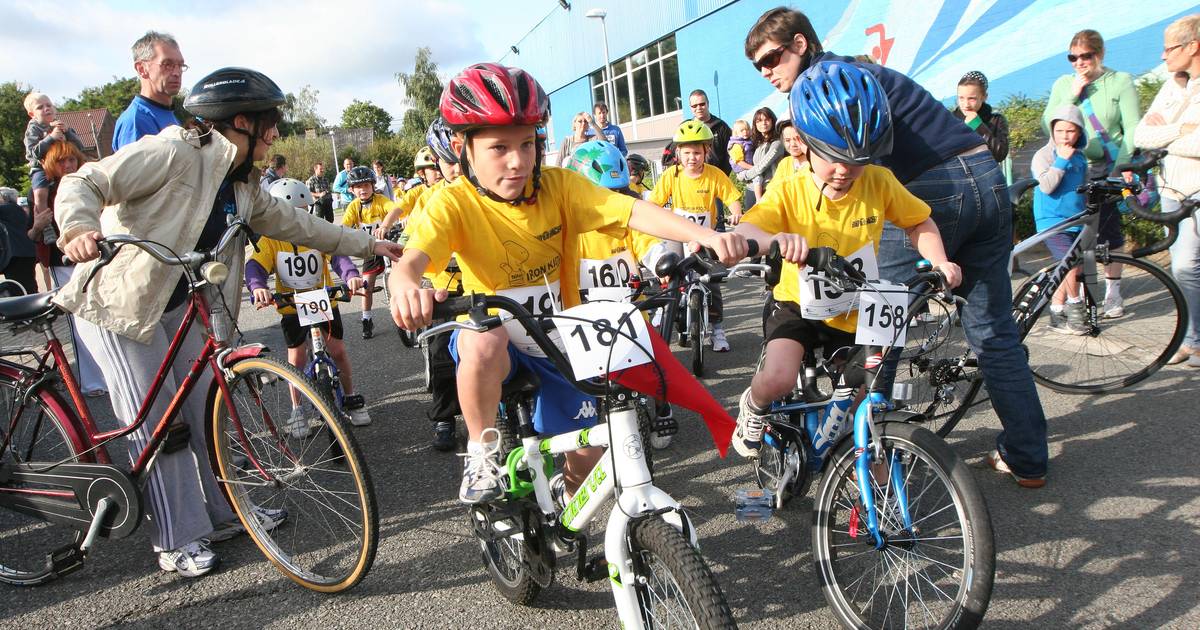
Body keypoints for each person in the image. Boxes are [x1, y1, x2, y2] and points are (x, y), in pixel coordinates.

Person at [52, 67, 403, 578]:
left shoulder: (243, 184)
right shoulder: (175, 151)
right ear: (241, 122)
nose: (275, 133)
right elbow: (86, 180)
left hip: (180, 304)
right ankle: (177, 539)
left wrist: (370, 245)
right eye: (269, 123)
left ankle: (225, 510)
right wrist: (78, 228)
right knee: (162, 427)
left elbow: (301, 224)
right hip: (121, 306)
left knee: (206, 414)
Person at [388, 63, 746, 504]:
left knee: (588, 468)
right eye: (499, 147)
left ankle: (562, 510)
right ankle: (482, 452)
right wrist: (405, 287)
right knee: (483, 338)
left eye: (527, 144)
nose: (518, 161)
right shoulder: (453, 202)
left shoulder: (558, 186)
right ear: (464, 149)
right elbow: (411, 261)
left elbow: (630, 210)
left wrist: (706, 236)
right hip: (501, 344)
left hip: (559, 341)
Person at [745, 6, 1047, 487]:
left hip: (925, 184)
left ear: (800, 44)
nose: (766, 72)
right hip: (983, 173)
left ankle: (865, 455)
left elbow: (860, 174)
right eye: (757, 66)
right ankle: (1027, 459)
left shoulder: (828, 83)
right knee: (993, 333)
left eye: (770, 58)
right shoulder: (863, 71)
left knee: (877, 328)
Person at [732, 61, 962, 459]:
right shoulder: (789, 189)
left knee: (867, 399)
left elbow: (918, 222)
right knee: (779, 378)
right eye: (833, 156)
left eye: (857, 159)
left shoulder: (878, 181)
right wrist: (775, 239)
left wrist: (940, 261)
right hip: (796, 304)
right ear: (806, 143)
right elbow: (747, 229)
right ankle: (752, 406)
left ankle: (865, 469)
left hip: (856, 305)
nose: (844, 170)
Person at [563, 139, 676, 449]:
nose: (609, 204)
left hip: (630, 312)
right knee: (579, 374)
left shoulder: (627, 224)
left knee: (657, 361)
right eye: (600, 196)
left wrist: (661, 262)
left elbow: (648, 244)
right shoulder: (570, 230)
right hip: (585, 317)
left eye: (617, 194)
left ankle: (662, 405)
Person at [247, 177, 372, 434]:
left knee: (337, 351)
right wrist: (258, 286)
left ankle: (350, 397)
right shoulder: (270, 240)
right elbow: (255, 266)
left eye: (302, 213)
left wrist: (351, 275)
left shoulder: (315, 232)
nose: (296, 222)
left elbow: (338, 256)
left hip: (321, 299)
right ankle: (297, 409)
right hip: (292, 305)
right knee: (296, 358)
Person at [1043, 29, 1142, 319]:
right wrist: (1072, 95)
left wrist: (1122, 166)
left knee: (1109, 229)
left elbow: (1132, 126)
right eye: (1073, 57)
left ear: (1100, 54)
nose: (1079, 62)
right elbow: (1048, 123)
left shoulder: (1119, 81)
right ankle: (1082, 293)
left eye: (1086, 56)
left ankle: (1113, 292)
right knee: (1077, 234)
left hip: (1105, 167)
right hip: (1072, 167)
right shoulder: (1064, 84)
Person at [1136, 14, 1200, 368]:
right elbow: (1141, 135)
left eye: (1169, 48)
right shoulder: (1171, 86)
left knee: (1189, 266)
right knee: (1183, 268)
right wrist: (1180, 129)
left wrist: (1166, 135)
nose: (1163, 56)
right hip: (1173, 191)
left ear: (1193, 46)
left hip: (1197, 188)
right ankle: (1193, 340)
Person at [648, 119, 744, 352]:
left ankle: (717, 329)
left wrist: (736, 213)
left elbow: (732, 198)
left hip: (706, 236)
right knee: (669, 271)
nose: (692, 158)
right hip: (678, 234)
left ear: (706, 152)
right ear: (678, 153)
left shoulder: (714, 175)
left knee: (712, 280)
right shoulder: (671, 176)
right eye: (687, 153)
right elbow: (653, 204)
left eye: (697, 153)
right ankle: (665, 309)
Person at [403, 116, 465, 451]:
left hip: (488, 285)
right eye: (447, 162)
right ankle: (445, 417)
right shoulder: (429, 200)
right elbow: (409, 244)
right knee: (442, 354)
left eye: (460, 160)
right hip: (445, 289)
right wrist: (410, 283)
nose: (455, 168)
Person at [1032, 106, 1090, 335]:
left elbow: (1084, 189)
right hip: (1052, 221)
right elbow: (1046, 186)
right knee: (1070, 265)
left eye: (1070, 131)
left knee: (1068, 268)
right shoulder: (1044, 155)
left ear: (1079, 132)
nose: (1064, 136)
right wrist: (1061, 161)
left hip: (1076, 219)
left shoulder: (1081, 157)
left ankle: (1056, 311)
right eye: (1059, 131)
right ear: (1052, 131)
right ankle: (1075, 309)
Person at [340, 165, 395, 339]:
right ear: (352, 190)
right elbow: (344, 227)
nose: (363, 189)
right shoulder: (353, 207)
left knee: (402, 271)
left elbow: (394, 210)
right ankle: (366, 318)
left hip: (387, 244)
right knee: (366, 285)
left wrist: (389, 224)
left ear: (372, 185)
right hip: (370, 249)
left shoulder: (380, 200)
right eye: (358, 186)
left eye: (366, 185)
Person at [24, 92, 86, 237]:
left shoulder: (61, 124)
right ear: (32, 114)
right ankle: (46, 226)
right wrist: (50, 138)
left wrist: (68, 132)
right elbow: (33, 153)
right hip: (40, 167)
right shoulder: (33, 129)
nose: (46, 109)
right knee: (40, 192)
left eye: (49, 105)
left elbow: (80, 147)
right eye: (40, 107)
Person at [113, 31, 184, 151]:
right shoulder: (135, 121)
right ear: (141, 69)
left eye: (180, 65)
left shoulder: (167, 113)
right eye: (167, 64)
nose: (177, 73)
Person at [379, 147, 440, 238]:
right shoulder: (415, 192)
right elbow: (397, 209)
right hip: (418, 235)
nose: (439, 173)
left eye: (440, 168)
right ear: (421, 173)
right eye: (433, 169)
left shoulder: (450, 189)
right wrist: (385, 226)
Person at [954, 71, 1010, 164]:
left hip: (984, 172)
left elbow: (999, 155)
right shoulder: (950, 121)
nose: (966, 104)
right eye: (961, 98)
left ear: (984, 97)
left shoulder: (996, 120)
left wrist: (978, 126)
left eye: (972, 98)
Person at [737, 107, 786, 208]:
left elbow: (762, 166)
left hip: (769, 190)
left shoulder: (777, 143)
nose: (763, 123)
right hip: (752, 189)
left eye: (767, 119)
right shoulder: (756, 143)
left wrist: (745, 175)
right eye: (759, 121)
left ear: (772, 121)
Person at [0, 187, 38, 294]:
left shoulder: (6, 209)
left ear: (4, 198)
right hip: (28, 251)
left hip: (16, 255)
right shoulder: (18, 210)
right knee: (29, 285)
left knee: (18, 288)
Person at [689, 89, 734, 174]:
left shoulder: (721, 127)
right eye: (694, 106)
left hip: (716, 177)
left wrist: (722, 175)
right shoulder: (686, 128)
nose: (698, 108)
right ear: (690, 107)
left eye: (702, 104)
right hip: (693, 178)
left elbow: (730, 153)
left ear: (708, 104)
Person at [765, 120, 808, 196]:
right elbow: (772, 189)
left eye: (798, 139)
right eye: (787, 140)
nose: (793, 144)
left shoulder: (817, 164)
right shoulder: (784, 163)